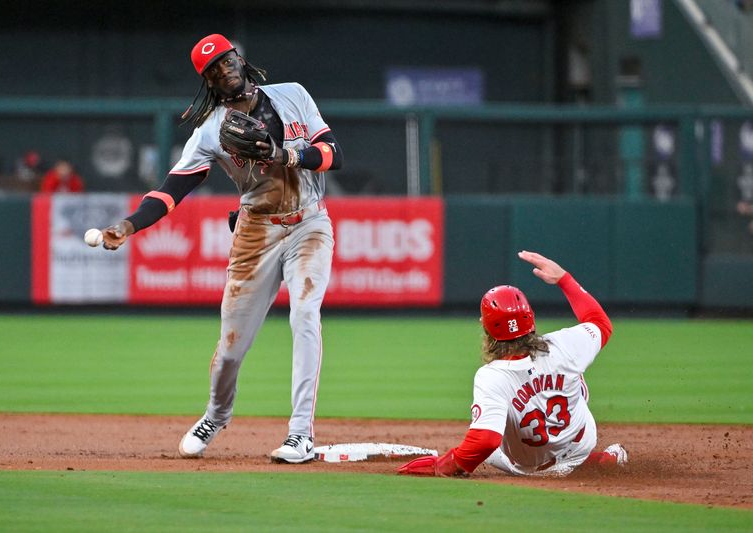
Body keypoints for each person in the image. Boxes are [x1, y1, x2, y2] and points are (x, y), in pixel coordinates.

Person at [99, 33, 343, 464]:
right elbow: (172, 189)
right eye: (212, 69)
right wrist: (130, 224)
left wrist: (286, 155)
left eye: (227, 60)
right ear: (208, 82)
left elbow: (332, 153)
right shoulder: (211, 131)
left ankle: (300, 434)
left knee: (306, 312)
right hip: (256, 231)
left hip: (309, 221)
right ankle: (216, 414)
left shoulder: (292, 95)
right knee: (231, 346)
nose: (224, 70)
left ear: (239, 59)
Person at [398, 250, 627, 478]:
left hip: (530, 470)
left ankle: (576, 462)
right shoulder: (564, 345)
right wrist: (564, 279)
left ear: (487, 329)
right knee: (573, 373)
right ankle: (592, 460)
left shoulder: (491, 377)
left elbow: (485, 441)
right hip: (580, 446)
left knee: (485, 429)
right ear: (531, 318)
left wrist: (443, 464)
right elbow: (600, 322)